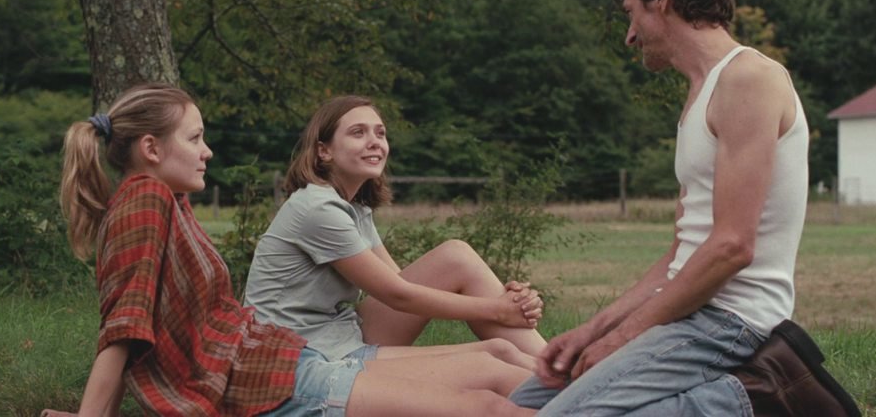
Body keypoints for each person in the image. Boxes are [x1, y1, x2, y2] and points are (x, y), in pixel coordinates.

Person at [45, 83, 537, 416]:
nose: (207, 150)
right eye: (195, 138)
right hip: (271, 380)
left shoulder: (168, 202)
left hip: (279, 362)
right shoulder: (145, 202)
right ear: (152, 149)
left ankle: (577, 378)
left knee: (494, 362)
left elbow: (136, 327)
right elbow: (124, 330)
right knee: (486, 404)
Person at [509, 0, 812, 414]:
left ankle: (746, 402)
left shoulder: (749, 78)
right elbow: (678, 255)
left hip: (730, 320)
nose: (629, 35)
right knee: (524, 404)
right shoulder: (701, 95)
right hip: (688, 311)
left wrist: (623, 337)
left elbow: (731, 247)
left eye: (631, 13)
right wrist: (593, 330)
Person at [243, 95, 547, 373]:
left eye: (380, 133)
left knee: (456, 258)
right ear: (324, 151)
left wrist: (508, 301)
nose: (375, 142)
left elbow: (401, 283)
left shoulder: (353, 208)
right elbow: (398, 295)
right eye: (358, 133)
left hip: (335, 333)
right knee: (496, 356)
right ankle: (559, 375)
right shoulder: (317, 208)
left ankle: (558, 368)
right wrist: (498, 309)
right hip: (297, 352)